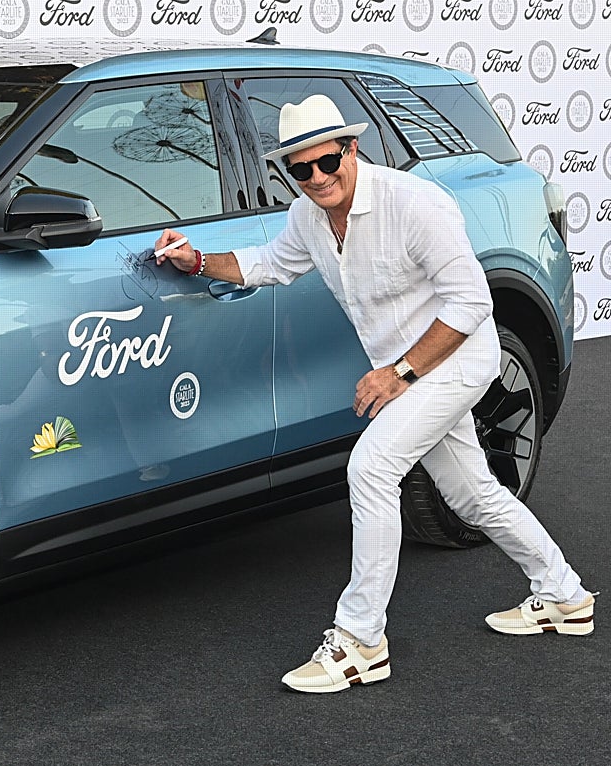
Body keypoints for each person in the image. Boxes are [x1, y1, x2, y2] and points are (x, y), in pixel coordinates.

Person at [152, 94, 595, 694]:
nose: (316, 179)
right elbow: (267, 264)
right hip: (413, 370)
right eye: (299, 169)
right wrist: (197, 260)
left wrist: (399, 374)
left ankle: (361, 641)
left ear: (351, 149)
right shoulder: (309, 216)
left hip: (457, 360)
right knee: (471, 495)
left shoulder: (415, 204)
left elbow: (471, 304)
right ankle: (563, 595)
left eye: (326, 162)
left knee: (371, 467)